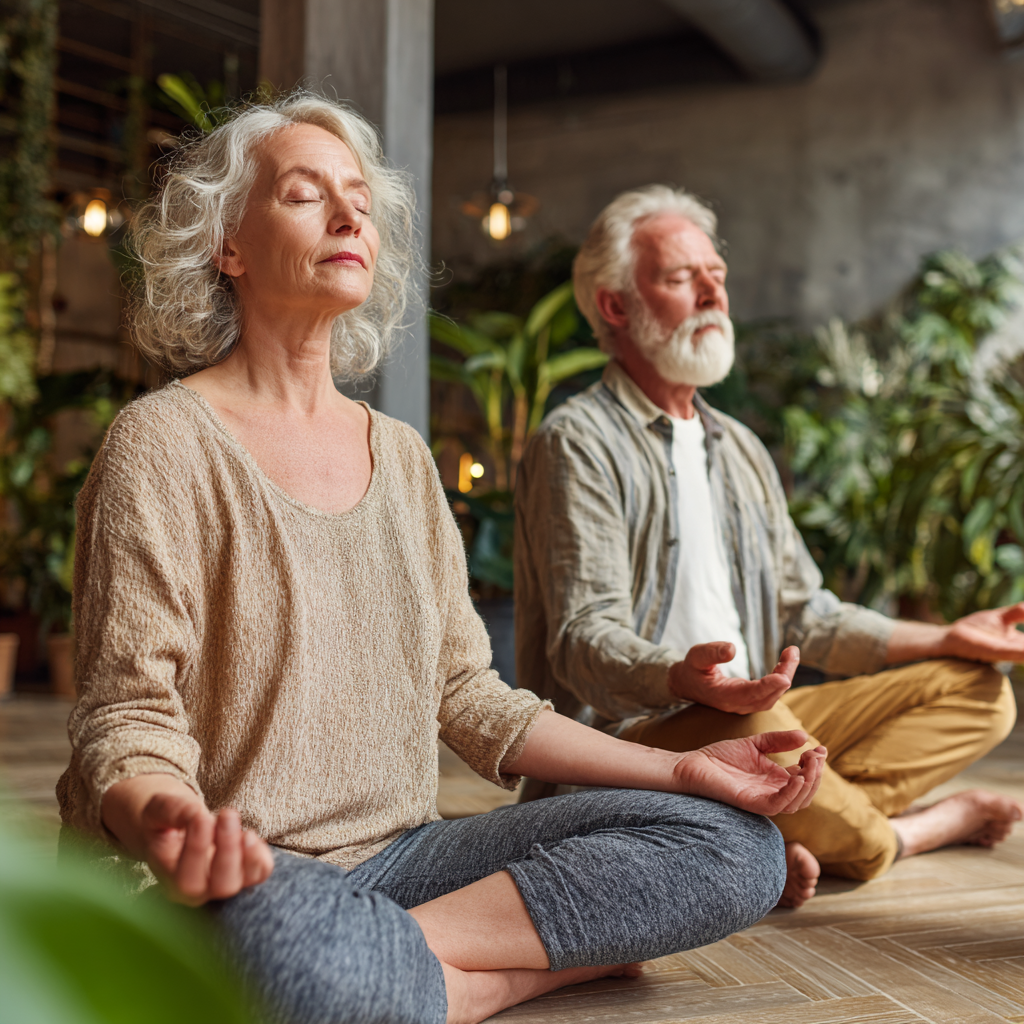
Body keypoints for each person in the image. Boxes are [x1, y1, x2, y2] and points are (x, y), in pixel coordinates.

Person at [56, 99, 827, 1024]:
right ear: (228, 246)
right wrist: (169, 823)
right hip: (242, 885)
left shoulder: (403, 457)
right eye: (305, 196)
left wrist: (682, 771)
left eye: (360, 201)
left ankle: (376, 973)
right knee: (266, 943)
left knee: (740, 847)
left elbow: (469, 697)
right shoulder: (161, 445)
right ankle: (505, 973)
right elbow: (127, 718)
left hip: (405, 860)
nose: (349, 218)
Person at [514, 184, 1023, 910]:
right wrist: (680, 679)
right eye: (681, 277)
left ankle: (767, 828)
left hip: (756, 713)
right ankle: (906, 833)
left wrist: (947, 636)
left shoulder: (741, 449)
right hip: (634, 740)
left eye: (716, 274)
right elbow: (581, 641)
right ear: (616, 306)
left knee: (979, 693)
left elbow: (808, 615)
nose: (712, 294)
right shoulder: (577, 441)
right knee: (761, 725)